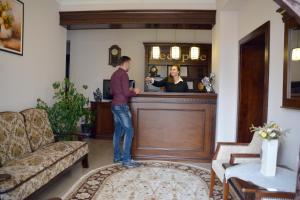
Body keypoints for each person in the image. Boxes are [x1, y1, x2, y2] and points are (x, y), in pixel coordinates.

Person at [110, 56, 141, 168]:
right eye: (129, 63)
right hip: (121, 106)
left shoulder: (114, 74)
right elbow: (126, 94)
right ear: (125, 63)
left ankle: (117, 156)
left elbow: (112, 91)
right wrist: (135, 92)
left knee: (118, 131)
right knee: (129, 131)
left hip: (114, 106)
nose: (130, 66)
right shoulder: (124, 74)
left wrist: (128, 90)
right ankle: (127, 159)